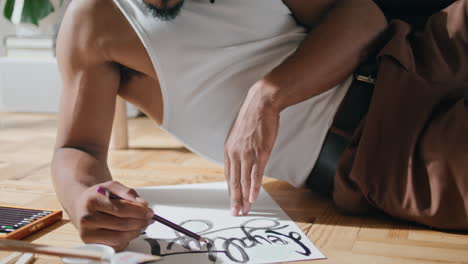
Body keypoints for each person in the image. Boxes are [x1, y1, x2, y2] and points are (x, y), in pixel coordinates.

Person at [51, 0, 467, 251]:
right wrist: (83, 197)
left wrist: (267, 96)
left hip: (420, 49)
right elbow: (78, 149)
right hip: (385, 149)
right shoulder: (93, 26)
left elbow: (363, 16)